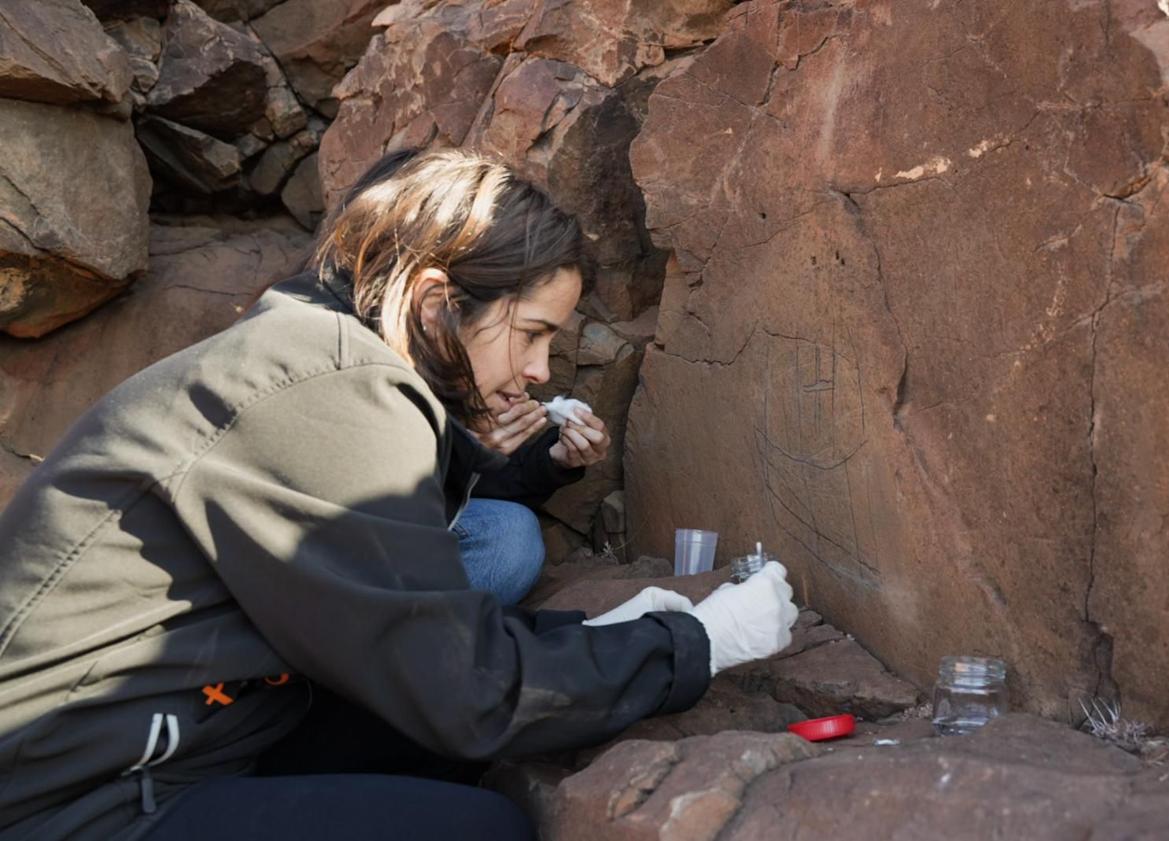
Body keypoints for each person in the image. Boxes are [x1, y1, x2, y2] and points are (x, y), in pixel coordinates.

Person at [0, 149, 799, 841]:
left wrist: (603, 632)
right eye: (532, 332)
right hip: (70, 800)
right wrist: (693, 644)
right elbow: (466, 690)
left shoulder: (314, 351)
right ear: (435, 302)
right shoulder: (331, 384)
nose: (540, 371)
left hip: (179, 733)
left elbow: (411, 632)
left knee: (441, 746)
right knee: (479, 829)